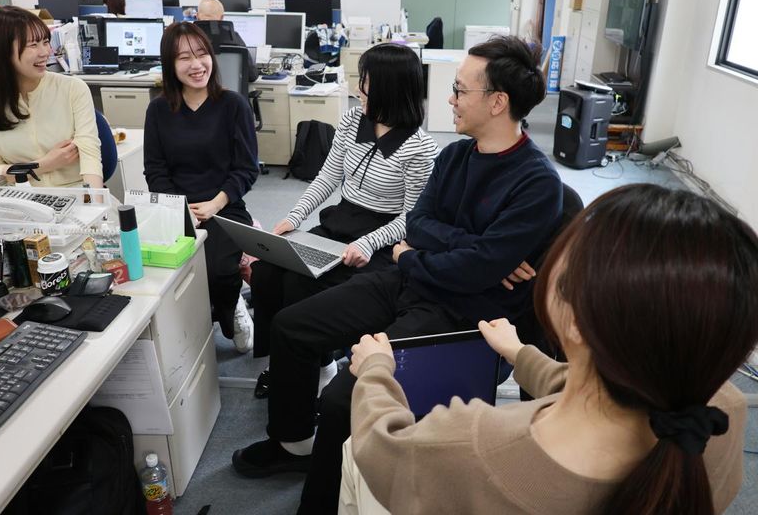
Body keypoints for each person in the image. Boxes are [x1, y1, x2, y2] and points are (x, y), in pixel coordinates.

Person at [232, 36, 564, 513]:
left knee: (346, 396)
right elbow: (422, 222)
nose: (449, 99)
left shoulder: (537, 182)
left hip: (462, 313)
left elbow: (471, 270)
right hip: (407, 280)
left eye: (459, 90)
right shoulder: (454, 156)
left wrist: (415, 255)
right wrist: (467, 245)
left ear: (497, 102)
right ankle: (292, 444)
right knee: (291, 327)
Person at [342, 183, 758, 515]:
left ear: (575, 321)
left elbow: (382, 448)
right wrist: (520, 353)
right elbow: (604, 391)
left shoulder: (470, 443)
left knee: (350, 452)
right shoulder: (720, 413)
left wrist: (376, 372)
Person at [249, 42, 440, 397]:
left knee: (302, 284)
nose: (358, 90)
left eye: (365, 83)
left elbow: (412, 216)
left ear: (389, 89)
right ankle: (292, 361)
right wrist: (294, 217)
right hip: (340, 222)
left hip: (381, 238)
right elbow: (328, 176)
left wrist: (368, 242)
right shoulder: (353, 120)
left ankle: (314, 362)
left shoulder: (420, 148)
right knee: (268, 271)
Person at [143, 22, 259, 352]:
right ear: (170, 65)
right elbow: (155, 171)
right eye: (184, 58)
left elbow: (246, 169)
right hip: (176, 208)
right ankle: (202, 321)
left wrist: (215, 204)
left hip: (224, 205)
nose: (196, 65)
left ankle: (231, 309)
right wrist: (179, 211)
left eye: (201, 54)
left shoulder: (233, 104)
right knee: (171, 274)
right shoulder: (158, 110)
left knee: (219, 271)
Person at [0, 6, 102, 188]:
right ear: (1, 51)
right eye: (33, 45)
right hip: (21, 197)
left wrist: (94, 201)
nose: (45, 52)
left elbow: (90, 158)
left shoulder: (72, 88)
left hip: (77, 191)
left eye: (45, 42)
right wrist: (43, 165)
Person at [195, 0, 258, 82]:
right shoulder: (233, 38)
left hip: (196, 89)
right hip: (229, 90)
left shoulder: (186, 39)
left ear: (197, 16)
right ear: (222, 17)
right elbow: (252, 75)